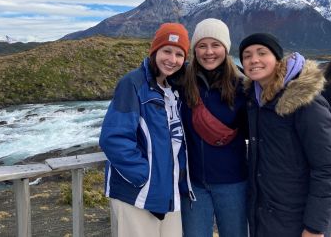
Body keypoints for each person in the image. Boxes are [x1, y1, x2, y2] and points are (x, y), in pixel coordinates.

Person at [99, 23, 195, 237]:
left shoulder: (174, 89)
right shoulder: (132, 84)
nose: (172, 59)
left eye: (179, 54)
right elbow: (113, 138)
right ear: (154, 51)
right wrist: (145, 176)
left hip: (168, 191)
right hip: (138, 193)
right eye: (167, 51)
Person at [239, 33, 331, 237]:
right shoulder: (256, 101)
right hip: (266, 218)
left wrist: (315, 227)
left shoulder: (305, 102)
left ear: (278, 59)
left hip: (297, 221)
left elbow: (326, 168)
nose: (253, 59)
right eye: (246, 55)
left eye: (262, 53)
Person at [180, 18, 248, 237]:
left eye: (215, 45)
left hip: (234, 182)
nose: (209, 52)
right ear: (195, 50)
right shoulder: (181, 82)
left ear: (226, 48)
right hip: (193, 184)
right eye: (202, 45)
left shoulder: (243, 85)